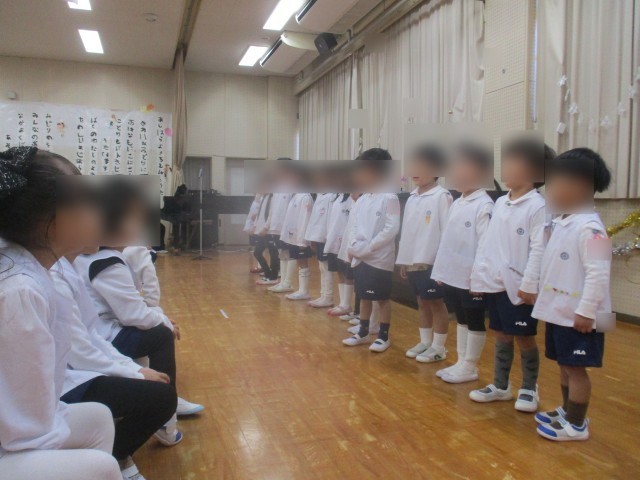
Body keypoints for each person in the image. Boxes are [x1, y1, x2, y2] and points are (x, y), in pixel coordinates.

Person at [0, 147, 121, 479]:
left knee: (97, 418)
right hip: (16, 437)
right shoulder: (21, 291)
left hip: (19, 428)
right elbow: (26, 434)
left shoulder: (37, 269)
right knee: (101, 468)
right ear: (50, 221)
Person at [74, 178, 203, 446]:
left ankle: (162, 397)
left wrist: (159, 317)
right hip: (102, 336)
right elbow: (134, 313)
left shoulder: (102, 257)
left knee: (155, 328)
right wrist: (163, 321)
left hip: (102, 330)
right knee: (161, 335)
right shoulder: (107, 262)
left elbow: (135, 306)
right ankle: (166, 415)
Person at [53, 254, 176, 480]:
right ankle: (120, 454)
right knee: (162, 343)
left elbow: (90, 334)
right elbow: (135, 313)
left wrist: (134, 370)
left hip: (86, 356)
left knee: (158, 384)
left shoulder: (66, 267)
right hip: (63, 384)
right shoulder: (102, 263)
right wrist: (134, 372)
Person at [468, 138, 555, 412]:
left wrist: (530, 283)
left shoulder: (538, 206)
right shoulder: (501, 203)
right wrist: (479, 277)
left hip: (519, 286)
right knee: (501, 333)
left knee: (524, 336)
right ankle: (500, 385)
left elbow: (539, 249)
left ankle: (529, 387)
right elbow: (488, 245)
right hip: (496, 283)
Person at [533, 148, 612, 441]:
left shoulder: (592, 229)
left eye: (556, 183)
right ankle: (568, 411)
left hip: (582, 317)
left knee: (577, 369)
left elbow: (600, 275)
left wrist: (587, 312)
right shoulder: (563, 222)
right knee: (565, 364)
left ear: (580, 187)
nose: (550, 190)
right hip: (562, 312)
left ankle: (577, 424)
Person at [431, 144, 495, 383]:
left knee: (474, 319)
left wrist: (478, 277)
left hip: (472, 278)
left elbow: (486, 246)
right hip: (453, 274)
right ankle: (461, 361)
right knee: (461, 316)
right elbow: (446, 241)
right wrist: (441, 270)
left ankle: (470, 365)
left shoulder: (484, 205)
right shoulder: (458, 202)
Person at [396, 145, 452, 363]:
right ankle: (425, 342)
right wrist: (404, 261)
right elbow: (408, 232)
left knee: (436, 303)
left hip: (432, 262)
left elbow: (447, 232)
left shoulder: (441, 196)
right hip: (413, 260)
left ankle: (439, 347)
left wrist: (442, 264)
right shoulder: (412, 197)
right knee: (421, 302)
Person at [343, 148, 400, 353]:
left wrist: (370, 247)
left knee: (382, 298)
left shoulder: (390, 197)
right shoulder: (363, 198)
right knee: (364, 295)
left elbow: (392, 228)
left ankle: (383, 336)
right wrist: (353, 246)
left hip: (379, 257)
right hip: (361, 256)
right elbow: (354, 225)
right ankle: (364, 331)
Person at [325, 193, 356, 317]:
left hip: (345, 242)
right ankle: (342, 303)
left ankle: (347, 304)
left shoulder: (352, 200)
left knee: (347, 273)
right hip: (334, 241)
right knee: (339, 271)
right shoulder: (338, 198)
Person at [305, 192, 335, 308]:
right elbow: (314, 219)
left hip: (325, 237)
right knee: (321, 267)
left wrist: (327, 238)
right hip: (317, 237)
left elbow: (330, 219)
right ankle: (323, 295)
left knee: (326, 268)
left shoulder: (331, 196)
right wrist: (311, 237)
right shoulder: (319, 196)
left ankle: (328, 296)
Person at [253, 193, 280, 285]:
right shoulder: (263, 197)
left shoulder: (274, 197)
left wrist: (266, 228)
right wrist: (255, 226)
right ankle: (268, 274)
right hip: (261, 230)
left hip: (269, 230)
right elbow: (259, 214)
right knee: (257, 252)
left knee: (273, 254)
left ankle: (274, 277)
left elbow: (271, 214)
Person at [245, 193, 264, 274]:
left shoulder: (263, 197)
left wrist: (254, 225)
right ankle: (261, 267)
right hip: (256, 224)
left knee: (260, 249)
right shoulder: (257, 197)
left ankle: (262, 267)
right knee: (259, 249)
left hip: (260, 225)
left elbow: (258, 212)